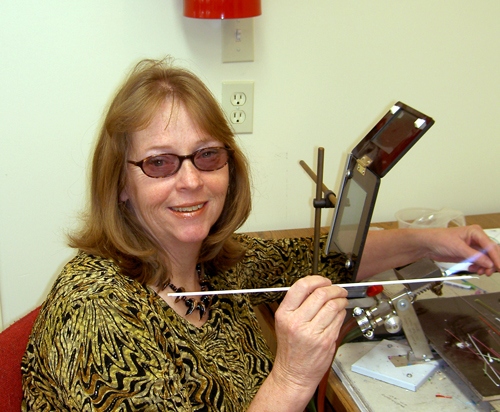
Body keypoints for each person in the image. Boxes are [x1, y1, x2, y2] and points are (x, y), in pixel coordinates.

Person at [21, 57, 500, 412]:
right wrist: (291, 378)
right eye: (159, 163)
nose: (190, 181)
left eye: (207, 155)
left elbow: (324, 256)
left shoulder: (209, 263)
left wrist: (432, 242)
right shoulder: (94, 313)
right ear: (121, 185)